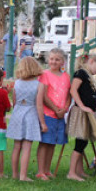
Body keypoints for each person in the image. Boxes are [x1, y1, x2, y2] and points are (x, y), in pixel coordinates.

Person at [66, 53, 96, 181]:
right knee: (80, 142)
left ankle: (79, 170)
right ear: (91, 61)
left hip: (87, 113)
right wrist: (82, 106)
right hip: (81, 113)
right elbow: (73, 90)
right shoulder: (81, 73)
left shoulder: (87, 75)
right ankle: (71, 172)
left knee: (84, 141)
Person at [6, 56, 43, 181]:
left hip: (17, 114)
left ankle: (15, 174)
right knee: (27, 146)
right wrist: (42, 123)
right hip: (31, 114)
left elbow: (15, 101)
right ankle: (23, 175)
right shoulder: (39, 85)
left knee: (17, 146)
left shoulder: (17, 83)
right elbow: (38, 105)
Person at [35, 48, 70, 179]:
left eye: (57, 59)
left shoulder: (66, 76)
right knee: (45, 142)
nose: (54, 61)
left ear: (63, 62)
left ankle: (47, 169)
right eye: (51, 59)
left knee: (52, 143)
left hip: (60, 115)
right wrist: (56, 109)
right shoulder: (44, 74)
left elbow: (68, 95)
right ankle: (40, 171)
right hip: (48, 114)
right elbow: (43, 95)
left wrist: (65, 108)